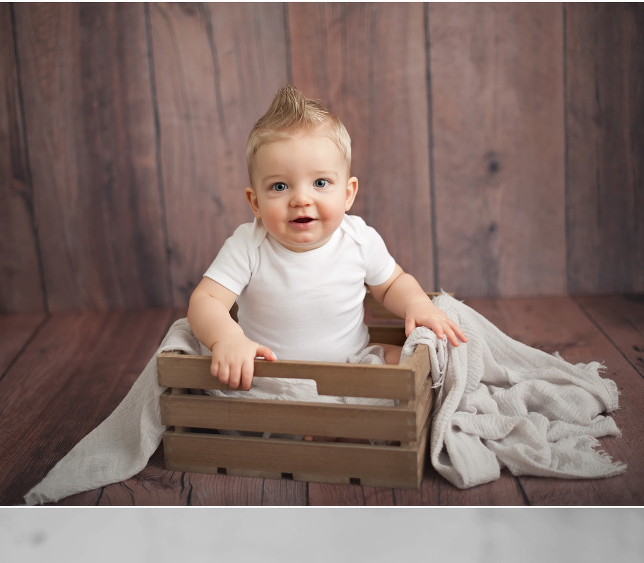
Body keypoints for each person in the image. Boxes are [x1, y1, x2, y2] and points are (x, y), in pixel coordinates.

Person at [187, 84, 466, 388]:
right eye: (280, 187)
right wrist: (228, 338)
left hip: (351, 367)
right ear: (255, 202)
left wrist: (416, 303)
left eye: (320, 182)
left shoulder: (358, 238)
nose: (301, 199)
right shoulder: (248, 245)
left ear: (348, 194)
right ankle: (320, 427)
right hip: (269, 378)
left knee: (413, 368)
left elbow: (392, 285)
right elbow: (207, 299)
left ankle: (352, 421)